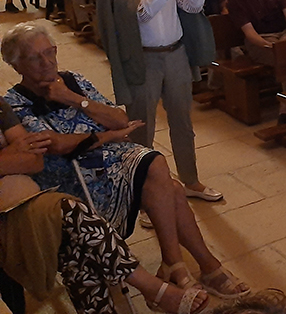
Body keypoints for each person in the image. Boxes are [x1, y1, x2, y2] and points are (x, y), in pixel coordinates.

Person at [0, 22, 248, 302]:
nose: (47, 62)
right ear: (16, 65)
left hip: (112, 164)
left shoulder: (72, 82)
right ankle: (200, 266)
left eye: (50, 52)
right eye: (35, 57)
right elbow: (53, 145)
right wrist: (107, 135)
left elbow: (120, 119)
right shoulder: (15, 103)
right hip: (74, 183)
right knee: (171, 188)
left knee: (154, 164)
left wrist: (72, 98)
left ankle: (179, 265)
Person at [95, 0, 222, 202]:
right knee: (142, 128)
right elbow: (142, 13)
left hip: (175, 54)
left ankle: (190, 180)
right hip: (142, 59)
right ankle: (143, 193)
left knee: (182, 122)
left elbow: (192, 6)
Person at [0, 175, 208, 314]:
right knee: (69, 211)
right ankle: (153, 288)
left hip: (24, 197)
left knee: (76, 240)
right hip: (12, 208)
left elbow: (31, 158)